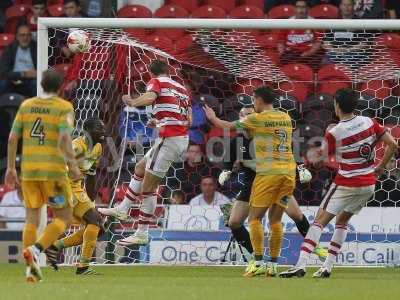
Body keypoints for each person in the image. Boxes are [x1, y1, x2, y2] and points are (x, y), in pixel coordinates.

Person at [279, 88, 398, 278]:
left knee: (318, 222)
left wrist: (321, 147)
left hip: (347, 183)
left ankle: (300, 265)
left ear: (336, 106)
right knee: (342, 221)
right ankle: (327, 267)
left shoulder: (337, 132)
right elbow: (392, 143)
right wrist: (381, 167)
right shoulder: (369, 122)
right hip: (368, 184)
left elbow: (318, 161)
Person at [204, 86, 296, 277]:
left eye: (254, 100)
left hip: (268, 174)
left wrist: (212, 118)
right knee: (276, 221)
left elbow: (227, 126)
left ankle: (259, 261)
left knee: (254, 219)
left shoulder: (256, 119)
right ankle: (273, 265)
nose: (253, 104)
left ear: (259, 100)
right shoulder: (285, 118)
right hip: (288, 174)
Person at [219, 106, 327, 266]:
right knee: (234, 222)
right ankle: (254, 257)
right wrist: (226, 171)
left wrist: (301, 168)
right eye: (245, 117)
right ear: (241, 120)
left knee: (296, 215)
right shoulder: (236, 142)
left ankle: (316, 246)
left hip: (274, 180)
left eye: (252, 115)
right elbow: (228, 163)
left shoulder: (268, 136)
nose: (249, 120)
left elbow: (287, 151)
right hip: (252, 184)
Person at [99, 59, 191, 246]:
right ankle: (123, 209)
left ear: (151, 73)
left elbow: (149, 98)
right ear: (168, 70)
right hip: (178, 138)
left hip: (170, 140)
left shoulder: (157, 82)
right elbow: (188, 117)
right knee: (140, 168)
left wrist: (133, 101)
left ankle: (142, 232)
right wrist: (159, 122)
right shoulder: (180, 88)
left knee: (149, 188)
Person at [5, 69, 81, 283]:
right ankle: (37, 249)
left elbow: (12, 138)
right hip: (53, 174)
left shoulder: (26, 105)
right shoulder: (64, 107)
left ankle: (31, 270)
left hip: (29, 172)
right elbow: (65, 138)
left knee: (32, 219)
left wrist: (11, 168)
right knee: (63, 217)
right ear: (60, 86)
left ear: (41, 83)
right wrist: (73, 165)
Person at [45, 117, 105, 275]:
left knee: (96, 227)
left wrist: (91, 201)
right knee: (95, 221)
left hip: (78, 189)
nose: (103, 132)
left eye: (103, 128)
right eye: (99, 128)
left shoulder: (98, 147)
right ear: (89, 131)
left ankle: (55, 246)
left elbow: (91, 174)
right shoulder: (76, 147)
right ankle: (83, 267)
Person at [277, 0, 322, 66]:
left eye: (303, 7)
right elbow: (280, 41)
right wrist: (282, 53)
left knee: (316, 61)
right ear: (294, 8)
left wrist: (309, 53)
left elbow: (318, 42)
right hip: (291, 53)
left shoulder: (314, 23)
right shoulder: (287, 23)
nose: (301, 10)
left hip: (309, 54)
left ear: (307, 8)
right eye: (298, 7)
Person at [0, 22, 37, 98]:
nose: (25, 38)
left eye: (28, 35)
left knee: (37, 84)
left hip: (31, 80)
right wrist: (23, 74)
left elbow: (42, 69)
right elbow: (4, 71)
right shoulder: (10, 49)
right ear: (17, 37)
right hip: (14, 78)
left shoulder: (36, 48)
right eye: (22, 35)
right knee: (3, 84)